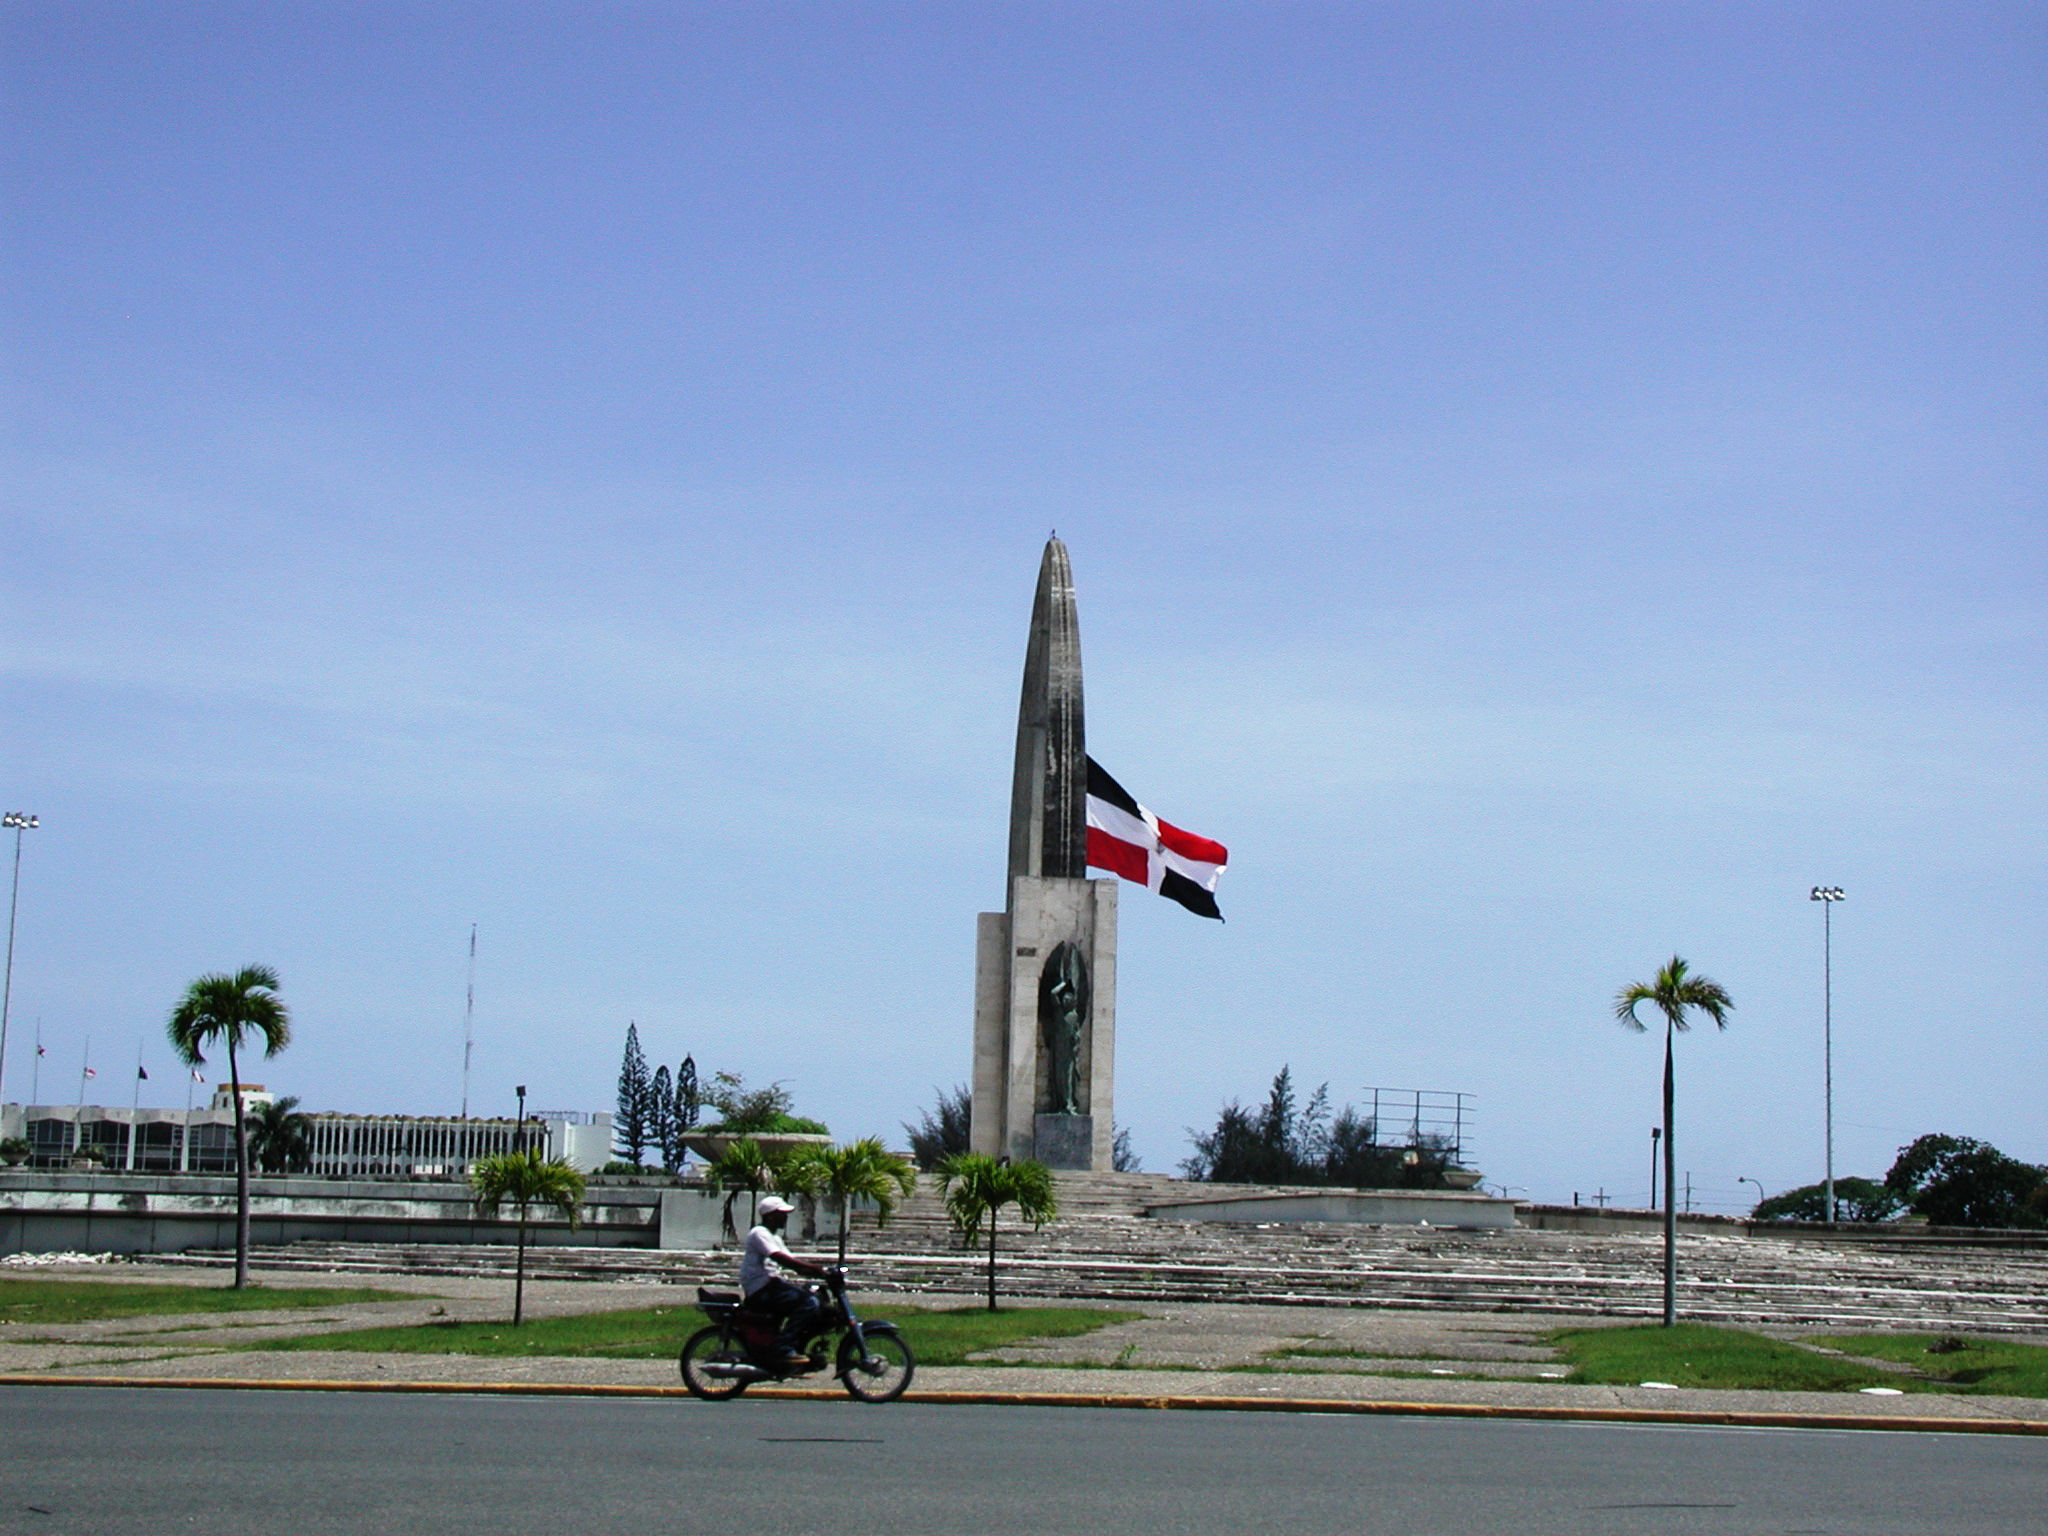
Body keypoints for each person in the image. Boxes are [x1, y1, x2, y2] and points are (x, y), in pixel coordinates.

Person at [740, 1195, 830, 1365]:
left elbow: (793, 1261)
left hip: (772, 1287)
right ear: (770, 1215)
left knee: (815, 1296)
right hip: (761, 1290)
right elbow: (781, 1259)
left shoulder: (775, 1238)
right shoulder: (759, 1233)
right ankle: (783, 1347)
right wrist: (813, 1270)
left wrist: (820, 1271)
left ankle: (798, 1346)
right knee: (808, 1303)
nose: (785, 1217)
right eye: (782, 1213)